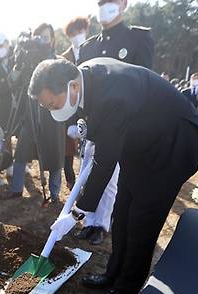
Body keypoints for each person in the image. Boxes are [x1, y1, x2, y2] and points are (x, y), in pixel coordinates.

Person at [29, 59, 198, 294]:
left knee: (141, 222)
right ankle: (112, 275)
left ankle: (125, 292)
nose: (51, 110)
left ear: (72, 87)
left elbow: (105, 161)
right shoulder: (86, 78)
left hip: (174, 145)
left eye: (51, 103)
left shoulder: (112, 94)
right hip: (141, 142)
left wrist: (76, 213)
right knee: (121, 214)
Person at [73, 0, 155, 245]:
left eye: (112, 2)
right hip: (94, 123)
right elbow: (80, 87)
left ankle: (100, 223)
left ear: (123, 4)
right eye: (102, 2)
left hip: (122, 123)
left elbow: (145, 82)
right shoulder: (89, 47)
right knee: (87, 171)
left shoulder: (138, 39)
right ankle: (87, 220)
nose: (106, 6)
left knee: (110, 176)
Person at [4, 23, 66, 204]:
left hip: (53, 115)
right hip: (29, 115)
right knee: (22, 150)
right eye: (39, 38)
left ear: (53, 40)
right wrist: (19, 63)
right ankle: (16, 189)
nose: (42, 42)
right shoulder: (27, 62)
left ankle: (54, 195)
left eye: (46, 38)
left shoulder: (58, 61)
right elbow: (12, 83)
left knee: (56, 154)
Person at [61, 16, 91, 190]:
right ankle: (71, 180)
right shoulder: (64, 58)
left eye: (80, 31)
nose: (77, 35)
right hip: (71, 109)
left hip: (91, 107)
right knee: (68, 148)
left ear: (86, 30)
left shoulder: (96, 49)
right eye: (72, 33)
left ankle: (88, 182)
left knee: (89, 148)